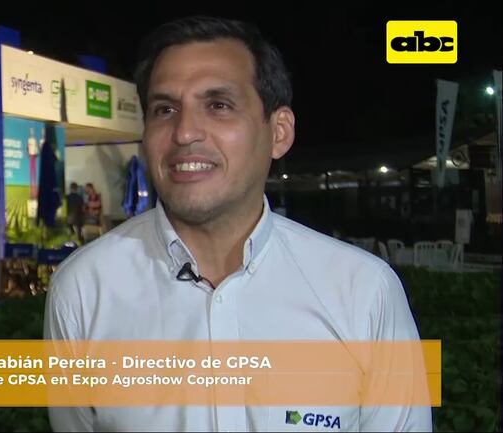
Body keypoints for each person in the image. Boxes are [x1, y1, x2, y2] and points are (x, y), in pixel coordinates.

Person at [44, 16, 431, 432]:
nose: (184, 132)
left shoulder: (363, 290)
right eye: (165, 109)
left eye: (218, 105)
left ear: (279, 132)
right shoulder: (83, 289)